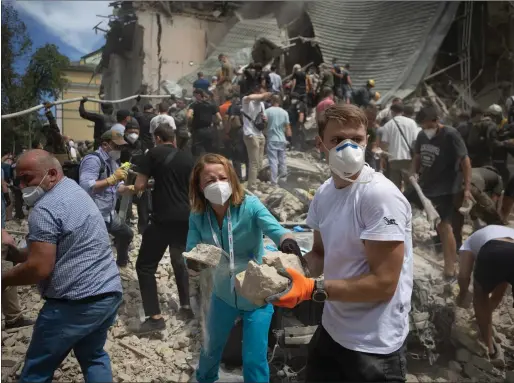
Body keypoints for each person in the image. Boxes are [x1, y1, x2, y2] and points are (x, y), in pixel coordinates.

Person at [268, 104, 413, 382]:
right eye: (337, 140)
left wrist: (310, 289)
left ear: (367, 140)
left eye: (356, 139)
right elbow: (321, 253)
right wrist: (285, 274)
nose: (349, 147)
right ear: (320, 144)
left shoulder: (379, 197)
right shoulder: (324, 194)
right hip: (333, 329)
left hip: (374, 345)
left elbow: (384, 284)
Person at [1, 150, 122, 382]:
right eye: (19, 180)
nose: (22, 186)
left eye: (28, 178)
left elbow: (39, 268)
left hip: (74, 303)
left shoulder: (45, 208)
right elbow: (58, 245)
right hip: (107, 294)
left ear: (52, 174)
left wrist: (4, 280)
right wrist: (18, 255)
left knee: (37, 370)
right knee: (93, 356)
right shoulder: (75, 191)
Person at [186, 153, 305, 383]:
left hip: (256, 296)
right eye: (210, 180)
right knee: (210, 351)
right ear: (199, 186)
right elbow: (191, 249)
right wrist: (192, 262)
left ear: (232, 178)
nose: (218, 184)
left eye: (223, 177)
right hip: (221, 295)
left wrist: (287, 241)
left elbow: (275, 229)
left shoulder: (250, 206)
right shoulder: (198, 216)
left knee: (254, 358)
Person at [133, 123, 193, 333]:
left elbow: (139, 186)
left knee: (145, 266)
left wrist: (132, 186)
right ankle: (186, 306)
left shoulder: (152, 154)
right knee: (179, 261)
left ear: (157, 138)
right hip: (186, 218)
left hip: (162, 219)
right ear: (172, 138)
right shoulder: (188, 158)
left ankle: (154, 318)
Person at [410, 106, 472, 278]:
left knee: (444, 226)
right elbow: (417, 156)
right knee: (401, 205)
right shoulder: (422, 135)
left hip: (445, 188)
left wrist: (466, 189)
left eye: (428, 126)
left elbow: (465, 161)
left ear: (436, 121)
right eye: (422, 126)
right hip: (424, 186)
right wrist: (413, 172)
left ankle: (450, 268)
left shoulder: (451, 135)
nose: (425, 130)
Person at [456, 225, 514, 365]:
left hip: (492, 251)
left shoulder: (470, 240)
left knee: (480, 295)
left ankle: (490, 350)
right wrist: (487, 311)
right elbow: (502, 280)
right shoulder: (509, 231)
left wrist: (462, 294)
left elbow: (464, 276)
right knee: (502, 278)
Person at [79, 130, 134, 268]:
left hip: (108, 213)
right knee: (98, 248)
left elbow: (117, 188)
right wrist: (112, 179)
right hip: (94, 214)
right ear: (105, 145)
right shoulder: (93, 160)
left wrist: (130, 188)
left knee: (126, 234)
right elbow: (86, 186)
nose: (119, 150)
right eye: (117, 146)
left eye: (121, 147)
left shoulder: (112, 162)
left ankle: (121, 263)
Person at [379, 103, 421, 190]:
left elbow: (385, 144)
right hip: (409, 159)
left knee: (395, 185)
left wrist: (383, 158)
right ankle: (409, 202)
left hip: (393, 159)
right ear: (402, 111)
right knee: (410, 184)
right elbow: (416, 141)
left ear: (392, 111)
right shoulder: (412, 123)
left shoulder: (388, 125)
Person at [120, 120, 150, 234]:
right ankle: (124, 233)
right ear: (126, 132)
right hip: (125, 179)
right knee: (125, 208)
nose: (133, 134)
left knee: (144, 208)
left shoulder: (142, 145)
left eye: (136, 132)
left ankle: (143, 232)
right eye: (131, 131)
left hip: (140, 178)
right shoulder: (120, 145)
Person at [242, 86, 271, 190]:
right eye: (261, 94)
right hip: (250, 134)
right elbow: (249, 97)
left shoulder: (262, 104)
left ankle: (253, 181)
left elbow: (265, 121)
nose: (263, 97)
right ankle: (252, 186)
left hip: (260, 134)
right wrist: (263, 95)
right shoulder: (246, 101)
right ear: (256, 92)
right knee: (253, 162)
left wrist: (265, 119)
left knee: (259, 163)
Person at [265, 95, 291, 185]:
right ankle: (283, 180)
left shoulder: (267, 111)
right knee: (282, 160)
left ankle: (274, 181)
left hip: (272, 139)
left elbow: (264, 124)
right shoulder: (284, 112)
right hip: (282, 139)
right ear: (279, 102)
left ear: (271, 101)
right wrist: (289, 139)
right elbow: (288, 128)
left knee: (273, 161)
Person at [188, 89, 222, 157]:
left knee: (197, 151)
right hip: (209, 130)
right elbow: (219, 118)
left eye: (194, 96)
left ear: (199, 95)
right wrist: (212, 122)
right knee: (209, 150)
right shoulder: (212, 105)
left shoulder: (194, 105)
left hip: (198, 131)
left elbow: (189, 116)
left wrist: (193, 122)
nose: (194, 98)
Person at [226, 95, 248, 181]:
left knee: (237, 155)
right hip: (246, 130)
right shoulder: (244, 106)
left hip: (237, 132)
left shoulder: (233, 107)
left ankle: (239, 177)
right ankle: (246, 176)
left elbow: (231, 118)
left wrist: (227, 131)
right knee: (245, 154)